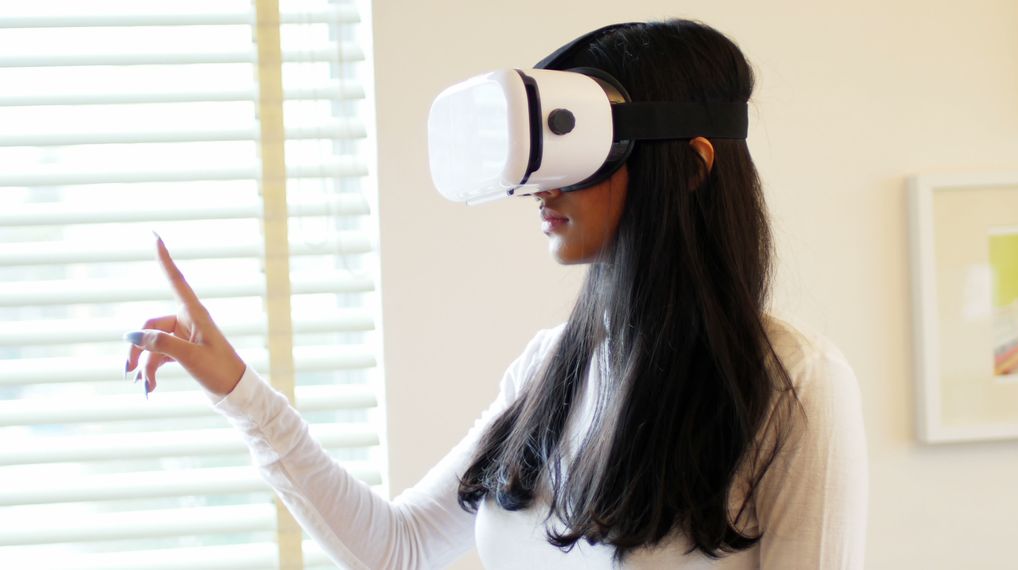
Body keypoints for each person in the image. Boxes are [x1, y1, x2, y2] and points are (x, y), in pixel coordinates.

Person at [124, 19, 867, 569]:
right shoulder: (552, 370)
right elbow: (399, 547)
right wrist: (242, 395)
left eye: (576, 151)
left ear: (693, 166)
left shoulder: (792, 385)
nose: (540, 186)